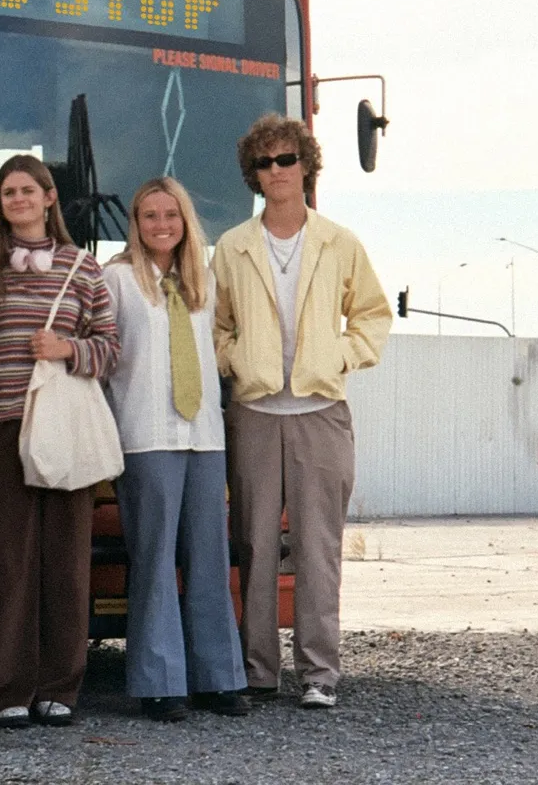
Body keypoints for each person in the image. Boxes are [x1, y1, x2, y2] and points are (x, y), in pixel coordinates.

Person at [212, 114, 392, 710]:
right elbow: (214, 327)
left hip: (321, 412)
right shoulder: (233, 248)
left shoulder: (340, 242)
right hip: (256, 412)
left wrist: (337, 356)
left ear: (306, 165)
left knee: (319, 546)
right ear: (253, 175)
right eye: (264, 164)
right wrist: (237, 360)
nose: (276, 171)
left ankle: (319, 673)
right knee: (257, 545)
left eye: (287, 160)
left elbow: (372, 316)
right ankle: (259, 670)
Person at [0, 154, 119, 729]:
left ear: (51, 197)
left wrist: (68, 350)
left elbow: (110, 348)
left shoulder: (83, 268)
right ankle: (7, 689)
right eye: (8, 192)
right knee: (6, 562)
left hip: (65, 428)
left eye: (28, 190)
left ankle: (60, 686)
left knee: (66, 561)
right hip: (0, 428)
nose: (19, 200)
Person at [103, 177, 250, 722]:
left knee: (210, 558)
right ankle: (160, 682)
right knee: (155, 560)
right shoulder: (117, 280)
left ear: (186, 221)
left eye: (171, 215)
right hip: (146, 437)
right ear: (135, 224)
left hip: (205, 437)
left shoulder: (203, 285)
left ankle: (219, 678)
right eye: (149, 216)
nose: (161, 225)